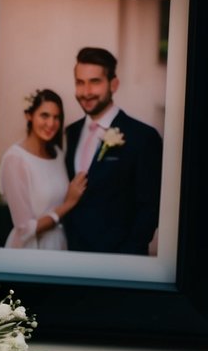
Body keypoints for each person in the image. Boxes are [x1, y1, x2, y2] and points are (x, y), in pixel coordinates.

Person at [64, 46, 162, 254]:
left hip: (120, 261)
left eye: (95, 82)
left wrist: (126, 258)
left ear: (113, 84)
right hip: (73, 258)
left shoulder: (143, 137)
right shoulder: (70, 133)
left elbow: (150, 208)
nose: (86, 92)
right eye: (80, 83)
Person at [0, 89, 87, 249]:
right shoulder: (15, 159)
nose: (51, 124)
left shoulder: (58, 154)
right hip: (31, 248)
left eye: (56, 117)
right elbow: (25, 229)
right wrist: (68, 204)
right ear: (29, 116)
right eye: (44, 115)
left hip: (58, 243)